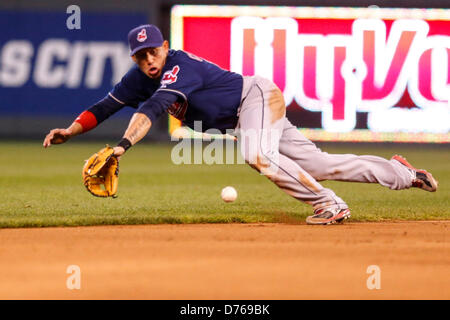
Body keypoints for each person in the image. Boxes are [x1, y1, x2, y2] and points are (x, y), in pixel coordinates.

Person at [43, 24, 438, 225]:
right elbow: (106, 106)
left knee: (256, 153)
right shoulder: (137, 78)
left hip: (256, 98)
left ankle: (329, 204)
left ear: (165, 47)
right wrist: (71, 129)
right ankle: (400, 174)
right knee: (318, 166)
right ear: (135, 57)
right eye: (141, 55)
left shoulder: (180, 66)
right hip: (246, 116)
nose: (149, 59)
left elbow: (157, 107)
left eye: (153, 51)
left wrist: (122, 147)